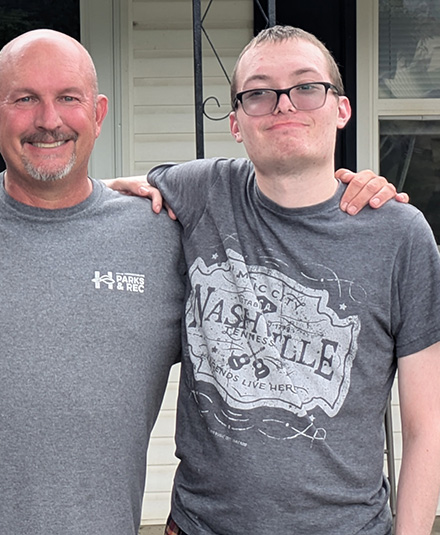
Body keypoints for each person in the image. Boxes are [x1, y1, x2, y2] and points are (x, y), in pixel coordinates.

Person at [0, 29, 403, 535]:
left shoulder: (160, 237)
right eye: (25, 99)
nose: (49, 120)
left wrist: (342, 201)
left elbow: (277, 243)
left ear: (99, 113)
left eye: (68, 98)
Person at [143, 26, 440, 535]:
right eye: (259, 93)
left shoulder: (399, 235)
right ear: (236, 123)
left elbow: (426, 424)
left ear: (341, 109)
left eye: (306, 87)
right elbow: (88, 198)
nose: (284, 104)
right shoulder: (202, 192)